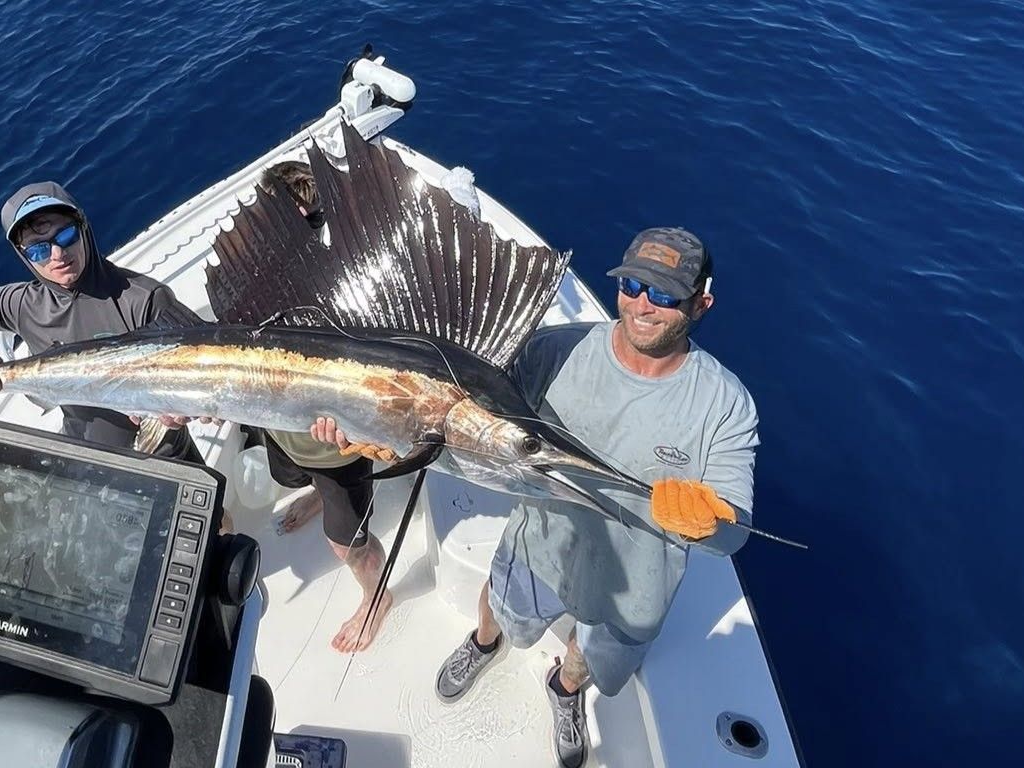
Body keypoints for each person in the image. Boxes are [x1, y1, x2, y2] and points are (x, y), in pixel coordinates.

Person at [430, 228, 759, 768]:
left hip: (633, 585)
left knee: (587, 656)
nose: (641, 305)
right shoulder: (554, 352)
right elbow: (469, 421)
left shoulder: (727, 404)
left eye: (664, 295)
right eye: (631, 285)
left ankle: (565, 688)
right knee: (503, 603)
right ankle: (485, 641)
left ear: (702, 302)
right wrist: (396, 438)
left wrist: (710, 524)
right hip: (539, 547)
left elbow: (734, 532)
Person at [0, 182, 205, 461]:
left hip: (169, 461)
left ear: (83, 227)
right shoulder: (19, 304)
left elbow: (198, 376)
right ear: (23, 255)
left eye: (65, 236)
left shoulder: (145, 298)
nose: (57, 254)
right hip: (81, 461)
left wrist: (187, 405)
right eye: (38, 250)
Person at [249, 161, 396, 653]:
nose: (299, 237)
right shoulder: (249, 284)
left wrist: (362, 437)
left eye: (310, 223)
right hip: (284, 431)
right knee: (288, 476)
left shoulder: (351, 290)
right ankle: (312, 489)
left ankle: (377, 597)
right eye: (284, 222)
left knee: (344, 543)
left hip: (339, 447)